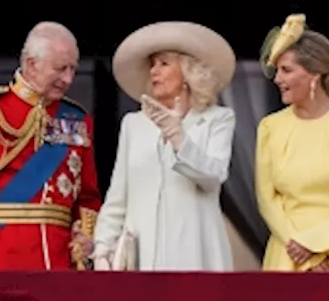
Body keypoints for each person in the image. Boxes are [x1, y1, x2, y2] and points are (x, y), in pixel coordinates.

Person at [0, 21, 102, 271]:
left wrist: (85, 244)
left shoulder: (77, 120)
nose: (68, 79)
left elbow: (88, 195)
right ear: (31, 64)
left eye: (72, 69)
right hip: (1, 255)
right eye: (60, 69)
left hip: (60, 261)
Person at [91, 22, 236, 271]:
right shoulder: (133, 124)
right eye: (152, 64)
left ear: (189, 71)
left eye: (164, 63)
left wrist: (179, 137)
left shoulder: (217, 119)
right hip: (141, 258)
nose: (154, 71)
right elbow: (118, 197)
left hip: (196, 254)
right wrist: (102, 248)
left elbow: (214, 176)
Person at [255, 14, 329, 272]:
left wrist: (318, 243)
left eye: (286, 70)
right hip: (288, 254)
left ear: (315, 75)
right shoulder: (270, 127)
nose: (277, 79)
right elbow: (267, 199)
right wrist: (303, 252)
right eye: (277, 71)